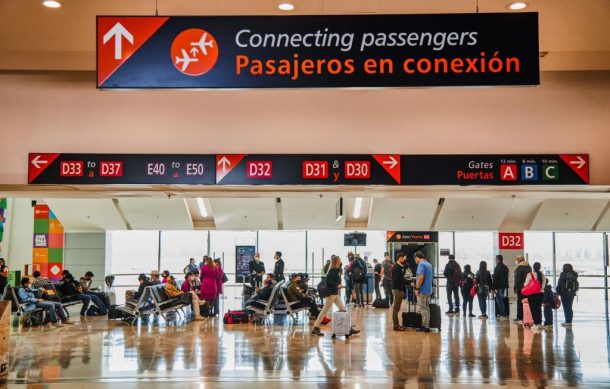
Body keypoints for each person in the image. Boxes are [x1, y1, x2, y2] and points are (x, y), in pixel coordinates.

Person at [312, 256, 360, 336]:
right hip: (331, 294)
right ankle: (316, 327)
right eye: (339, 260)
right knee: (324, 311)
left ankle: (348, 328)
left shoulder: (335, 270)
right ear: (336, 261)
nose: (341, 261)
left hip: (335, 294)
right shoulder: (332, 270)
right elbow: (328, 281)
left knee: (343, 310)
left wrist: (338, 285)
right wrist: (337, 285)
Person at [523, 262, 546, 331]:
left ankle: (536, 324)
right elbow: (544, 284)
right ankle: (539, 323)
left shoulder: (530, 274)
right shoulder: (542, 274)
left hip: (532, 294)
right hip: (540, 294)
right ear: (539, 267)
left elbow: (525, 284)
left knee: (533, 309)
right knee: (538, 309)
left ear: (533, 267)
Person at [414, 251, 433, 333]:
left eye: (415, 258)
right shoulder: (429, 264)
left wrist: (417, 288)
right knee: (426, 308)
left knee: (422, 308)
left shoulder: (421, 264)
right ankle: (426, 325)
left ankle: (425, 326)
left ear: (417, 257)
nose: (415, 260)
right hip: (428, 290)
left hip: (422, 290)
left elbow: (421, 277)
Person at [556, 263, 579, 327]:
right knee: (569, 307)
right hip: (571, 293)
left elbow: (560, 283)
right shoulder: (574, 274)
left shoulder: (563, 274)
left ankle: (568, 322)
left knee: (566, 308)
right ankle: (569, 321)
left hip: (564, 293)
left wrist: (557, 290)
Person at [391, 252, 407, 331]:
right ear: (400, 258)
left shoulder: (399, 267)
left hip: (398, 289)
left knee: (397, 309)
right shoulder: (396, 267)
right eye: (404, 258)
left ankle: (397, 325)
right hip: (397, 290)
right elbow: (396, 280)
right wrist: (401, 289)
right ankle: (396, 325)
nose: (404, 259)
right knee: (396, 309)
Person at [513, 255, 532, 324]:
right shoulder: (529, 267)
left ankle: (520, 318)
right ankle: (526, 317)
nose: (516, 261)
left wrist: (515, 287)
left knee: (520, 302)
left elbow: (517, 279)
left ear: (519, 260)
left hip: (520, 287)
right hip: (528, 287)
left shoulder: (519, 267)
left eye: (517, 260)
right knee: (527, 302)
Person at [492, 254, 510, 320]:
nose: (495, 260)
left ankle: (503, 314)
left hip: (498, 287)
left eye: (496, 259)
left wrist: (493, 288)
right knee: (501, 299)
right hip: (504, 286)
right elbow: (507, 276)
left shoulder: (497, 268)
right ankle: (504, 314)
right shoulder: (505, 267)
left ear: (498, 260)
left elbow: (495, 279)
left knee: (500, 301)